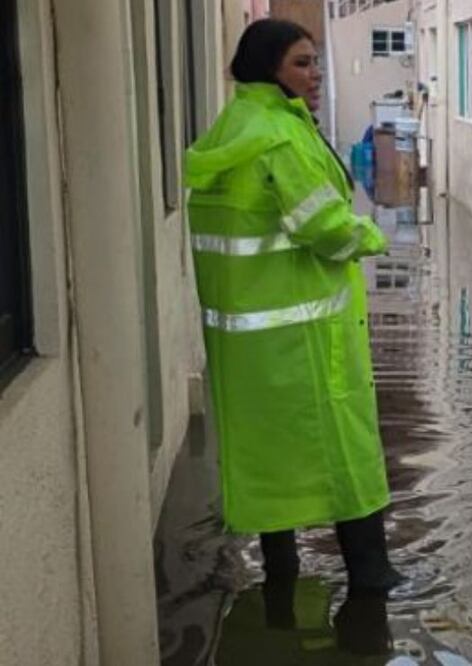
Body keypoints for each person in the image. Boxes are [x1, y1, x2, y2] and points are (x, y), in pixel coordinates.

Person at [184, 19, 401, 594]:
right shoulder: (281, 138)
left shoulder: (233, 128)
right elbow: (326, 227)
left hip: (250, 344)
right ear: (268, 69)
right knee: (349, 455)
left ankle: (280, 578)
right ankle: (372, 580)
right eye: (301, 63)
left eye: (315, 62)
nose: (315, 75)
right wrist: (375, 236)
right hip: (309, 334)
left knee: (267, 457)